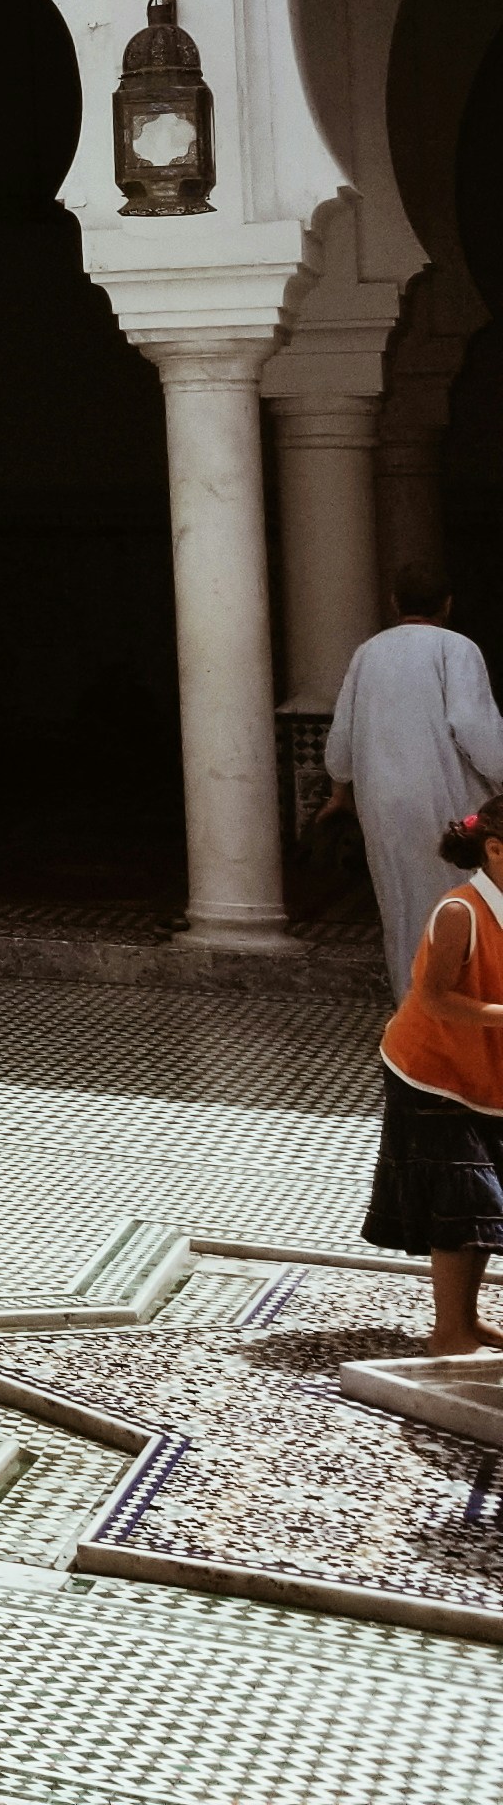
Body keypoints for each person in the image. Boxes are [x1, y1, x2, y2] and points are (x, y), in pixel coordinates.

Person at [326, 569, 503, 1006]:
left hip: (382, 804)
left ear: (393, 603)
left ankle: (413, 1013)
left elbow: (340, 745)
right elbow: (474, 727)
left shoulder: (367, 653)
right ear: (447, 604)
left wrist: (339, 791)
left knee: (400, 906)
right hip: (450, 799)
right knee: (465, 902)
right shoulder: (457, 648)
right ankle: (461, 1013)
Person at [365, 808, 503, 1353]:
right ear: (494, 850)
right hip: (431, 1074)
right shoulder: (459, 912)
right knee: (461, 1201)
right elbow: (434, 998)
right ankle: (449, 1330)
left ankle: (465, 1320)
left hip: (487, 1077)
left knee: (487, 1208)